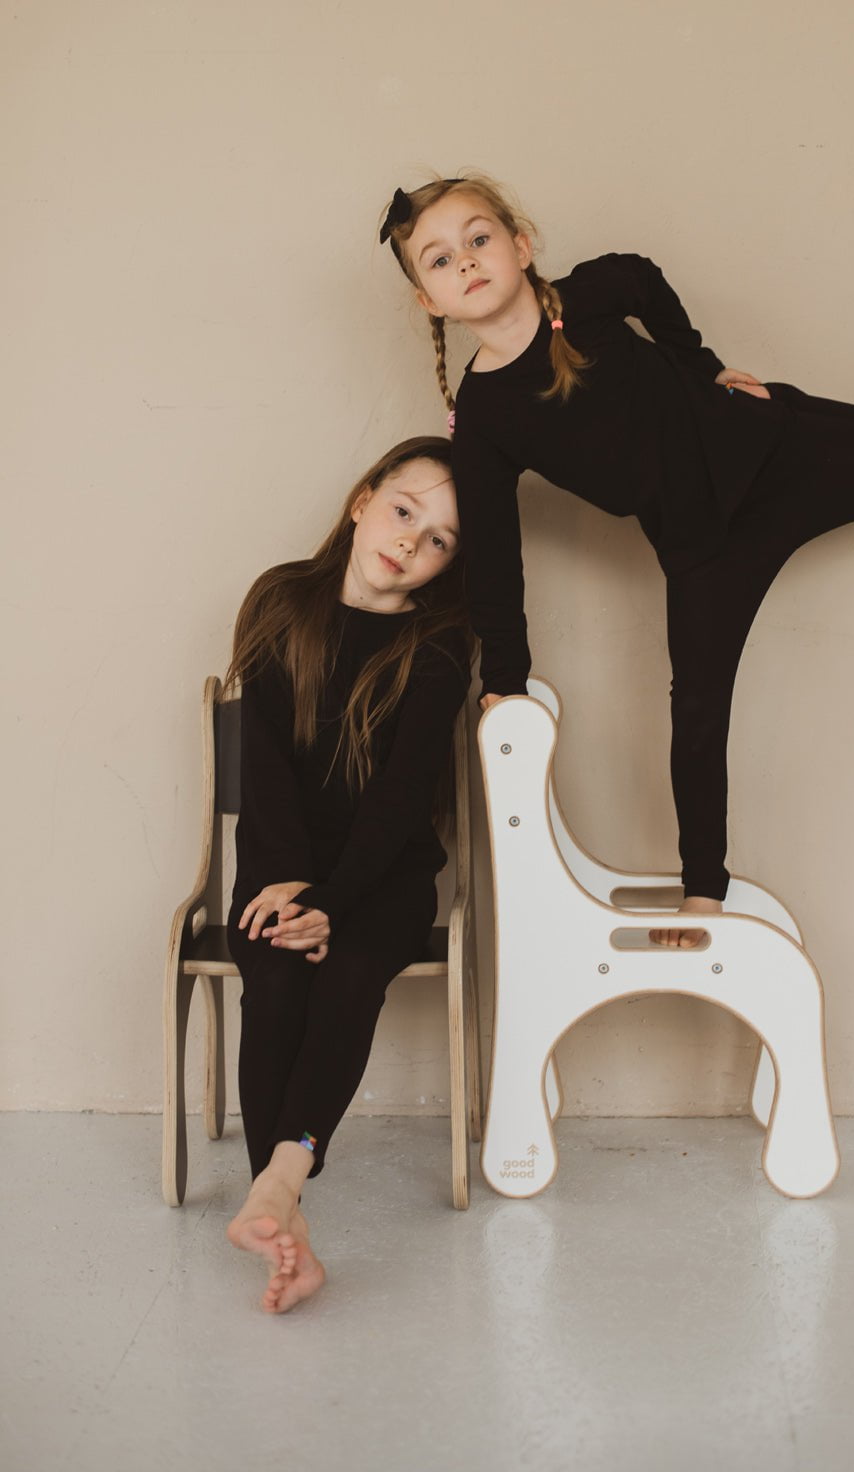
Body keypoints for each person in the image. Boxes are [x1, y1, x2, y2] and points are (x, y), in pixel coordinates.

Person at [378, 174, 854, 945]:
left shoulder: (585, 297)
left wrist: (704, 367)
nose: (466, 262)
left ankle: (780, 408)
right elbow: (495, 555)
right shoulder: (485, 415)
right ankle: (703, 892)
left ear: (520, 246)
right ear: (431, 301)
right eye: (439, 260)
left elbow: (643, 276)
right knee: (694, 710)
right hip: (704, 548)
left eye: (479, 239)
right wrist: (505, 684)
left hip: (771, 451)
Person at [223, 436, 471, 1312]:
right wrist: (290, 886)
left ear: (447, 565)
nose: (411, 541)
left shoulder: (437, 643)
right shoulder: (281, 600)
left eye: (438, 538)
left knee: (351, 975)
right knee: (276, 977)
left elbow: (402, 803)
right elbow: (264, 766)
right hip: (276, 873)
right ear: (364, 499)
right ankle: (289, 1222)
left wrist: (332, 903)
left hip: (383, 881)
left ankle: (280, 1187)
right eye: (405, 511)